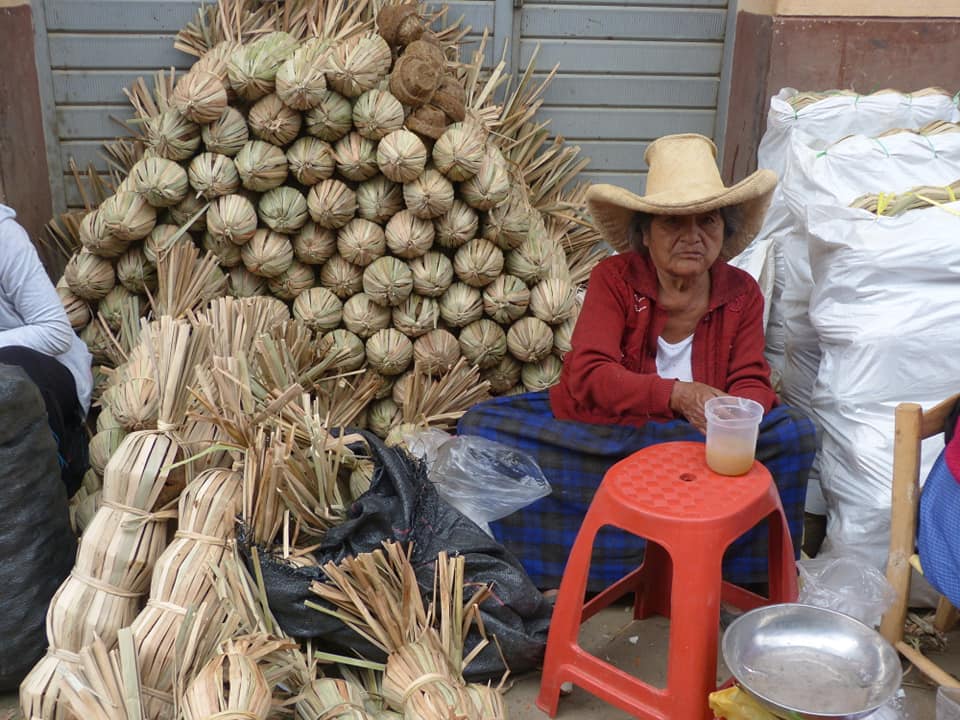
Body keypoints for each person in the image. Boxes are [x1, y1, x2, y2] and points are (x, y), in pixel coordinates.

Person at [458, 134, 817, 592]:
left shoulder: (740, 290)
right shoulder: (615, 279)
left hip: (700, 442)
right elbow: (589, 374)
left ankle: (738, 574)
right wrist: (676, 394)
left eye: (707, 221)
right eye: (673, 224)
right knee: (481, 427)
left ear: (724, 232)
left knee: (794, 436)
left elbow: (751, 377)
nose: (693, 237)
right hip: (611, 431)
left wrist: (736, 416)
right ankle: (577, 568)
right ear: (645, 234)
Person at [0, 203, 92, 495]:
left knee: (8, 368)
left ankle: (55, 487)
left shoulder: (4, 237)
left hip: (44, 374)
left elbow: (55, 332)